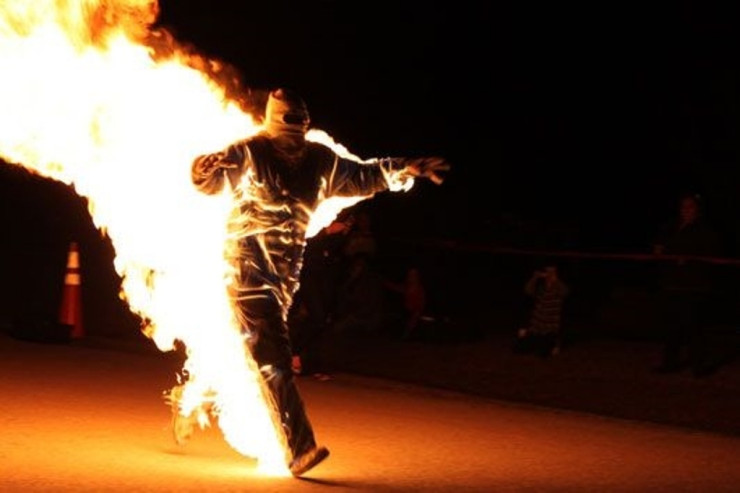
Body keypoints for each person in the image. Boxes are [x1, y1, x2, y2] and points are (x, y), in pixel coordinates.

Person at [173, 88, 450, 476]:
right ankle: (298, 449)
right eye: (290, 124)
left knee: (257, 356)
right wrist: (202, 168)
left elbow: (364, 175)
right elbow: (208, 184)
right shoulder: (249, 152)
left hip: (285, 277)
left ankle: (194, 396)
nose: (296, 134)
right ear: (274, 122)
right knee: (273, 361)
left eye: (301, 125)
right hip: (246, 272)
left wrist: (408, 167)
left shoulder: (319, 161)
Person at [651, 192, 722, 377]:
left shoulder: (705, 231)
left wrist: (688, 259)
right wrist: (663, 254)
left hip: (694, 286)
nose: (686, 210)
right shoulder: (671, 227)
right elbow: (659, 248)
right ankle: (669, 363)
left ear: (698, 210)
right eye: (683, 206)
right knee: (671, 327)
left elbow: (709, 254)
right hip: (671, 284)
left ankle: (698, 366)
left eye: (690, 207)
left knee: (694, 328)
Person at [515, 263, 569, 358]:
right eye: (547, 272)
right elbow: (528, 290)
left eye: (552, 272)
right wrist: (535, 277)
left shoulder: (558, 287)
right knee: (519, 348)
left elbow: (565, 292)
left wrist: (555, 280)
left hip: (550, 327)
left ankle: (553, 345)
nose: (549, 274)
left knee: (544, 352)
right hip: (537, 326)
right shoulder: (540, 286)